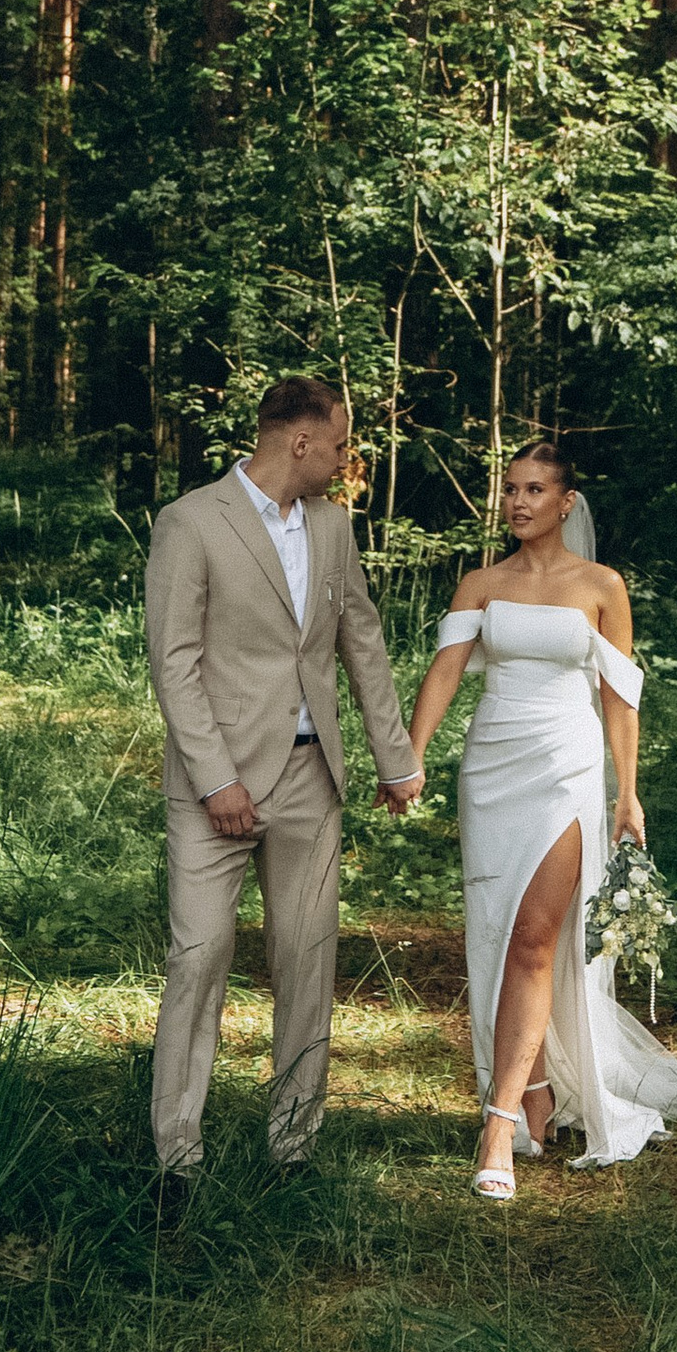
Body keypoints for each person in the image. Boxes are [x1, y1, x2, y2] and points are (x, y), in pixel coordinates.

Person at [403, 438, 677, 1197]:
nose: (517, 502)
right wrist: (408, 759)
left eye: (535, 490)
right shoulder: (480, 583)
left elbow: (620, 696)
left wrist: (628, 792)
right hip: (493, 767)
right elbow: (444, 672)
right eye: (510, 489)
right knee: (497, 930)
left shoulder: (602, 585)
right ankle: (536, 1091)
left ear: (565, 502)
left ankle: (499, 1125)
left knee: (537, 936)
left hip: (568, 764)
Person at [143, 377, 422, 1178]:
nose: (345, 461)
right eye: (339, 445)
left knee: (307, 962)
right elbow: (176, 664)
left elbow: (360, 641)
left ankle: (294, 1147)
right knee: (199, 956)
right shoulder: (191, 522)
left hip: (312, 782)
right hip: (214, 787)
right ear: (300, 442)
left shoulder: (333, 528)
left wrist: (395, 758)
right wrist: (216, 781)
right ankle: (178, 1162)